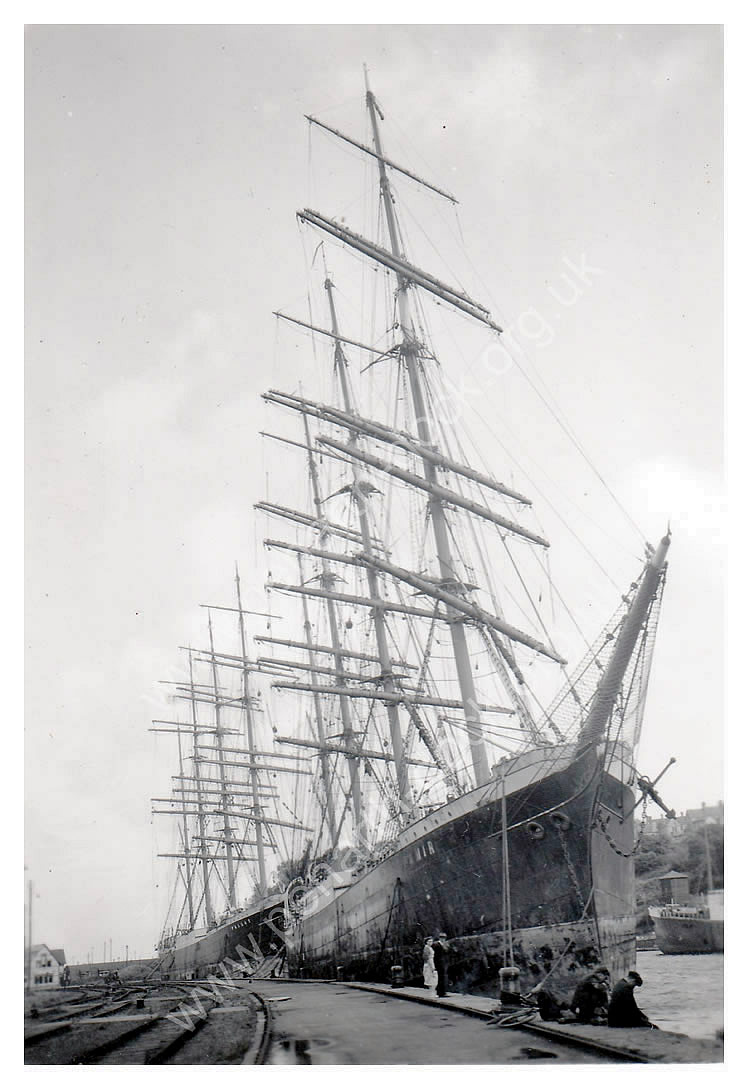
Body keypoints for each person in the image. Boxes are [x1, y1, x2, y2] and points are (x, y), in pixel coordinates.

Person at [432, 933, 450, 997]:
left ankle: (443, 992)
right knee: (440, 978)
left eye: (444, 938)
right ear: (440, 938)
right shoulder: (436, 945)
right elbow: (434, 955)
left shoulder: (444, 944)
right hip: (438, 963)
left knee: (443, 978)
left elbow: (447, 952)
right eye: (442, 938)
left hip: (443, 963)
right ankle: (440, 992)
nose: (443, 939)